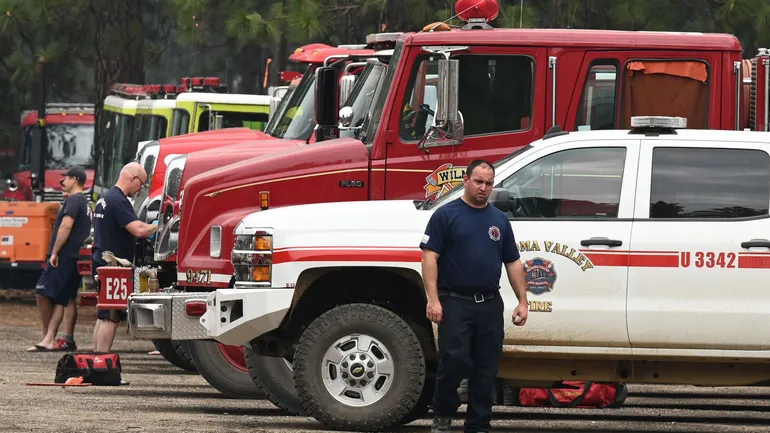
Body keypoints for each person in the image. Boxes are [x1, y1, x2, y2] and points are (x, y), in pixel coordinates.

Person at [420, 159, 529, 433]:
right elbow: (429, 258)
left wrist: (523, 301)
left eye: (489, 183)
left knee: (486, 368)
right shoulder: (445, 216)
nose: (483, 188)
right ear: (466, 180)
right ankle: (443, 411)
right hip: (454, 301)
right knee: (454, 360)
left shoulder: (499, 220)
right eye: (478, 181)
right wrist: (433, 299)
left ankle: (478, 425)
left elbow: (513, 262)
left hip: (490, 304)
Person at [91, 162, 157, 352]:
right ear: (132, 178)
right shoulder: (118, 201)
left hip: (101, 260)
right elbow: (139, 230)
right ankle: (101, 360)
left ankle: (95, 357)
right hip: (113, 266)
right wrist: (157, 226)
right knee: (111, 317)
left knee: (103, 315)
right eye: (141, 184)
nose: (140, 189)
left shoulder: (105, 198)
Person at [27, 167, 91, 352]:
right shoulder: (85, 202)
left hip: (65, 255)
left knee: (43, 292)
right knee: (66, 298)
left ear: (75, 180)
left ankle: (48, 336)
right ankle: (64, 338)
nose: (63, 182)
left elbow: (65, 227)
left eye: (66, 179)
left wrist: (54, 252)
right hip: (76, 256)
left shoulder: (73, 201)